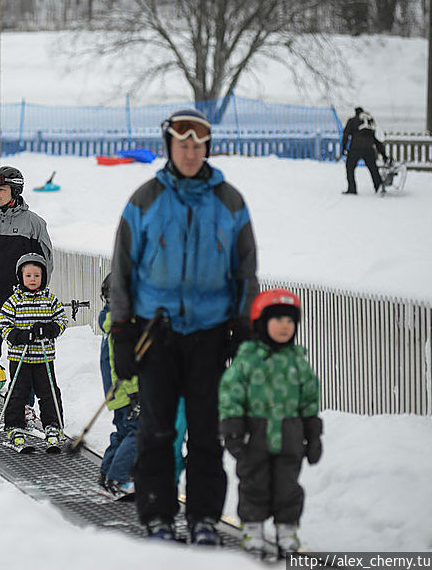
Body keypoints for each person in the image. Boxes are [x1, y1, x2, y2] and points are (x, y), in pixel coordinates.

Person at [109, 109, 259, 543]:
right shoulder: (145, 199)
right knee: (157, 430)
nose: (191, 152)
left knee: (207, 433)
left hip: (211, 335)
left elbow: (246, 270)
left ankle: (204, 520)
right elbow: (122, 269)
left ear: (206, 148)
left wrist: (244, 328)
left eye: (198, 145)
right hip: (156, 334)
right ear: (169, 147)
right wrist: (121, 330)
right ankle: (157, 517)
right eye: (183, 144)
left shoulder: (228, 200)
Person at [219, 288, 322, 557]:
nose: (285, 327)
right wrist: (232, 426)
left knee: (288, 487)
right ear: (261, 323)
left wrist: (312, 433)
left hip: (290, 436)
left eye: (290, 321)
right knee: (253, 484)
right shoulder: (247, 360)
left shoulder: (298, 363)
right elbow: (231, 393)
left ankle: (287, 531)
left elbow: (309, 399)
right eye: (278, 320)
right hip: (255, 436)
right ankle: (252, 530)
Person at [0, 166, 53, 439]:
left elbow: (46, 262)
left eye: (1, 190)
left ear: (15, 191)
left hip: (22, 304)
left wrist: (36, 297)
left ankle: (24, 405)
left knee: (23, 358)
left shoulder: (34, 224)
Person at [0, 253, 68, 449]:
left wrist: (50, 329)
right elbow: (3, 325)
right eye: (28, 276)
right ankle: (13, 424)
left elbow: (62, 321)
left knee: (48, 391)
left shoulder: (50, 300)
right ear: (20, 277)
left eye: (37, 276)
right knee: (18, 391)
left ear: (43, 277)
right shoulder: (14, 301)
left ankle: (53, 424)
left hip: (43, 357)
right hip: (20, 356)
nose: (33, 280)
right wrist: (17, 335)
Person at [97, 272, 140, 500]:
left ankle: (106, 474)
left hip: (119, 393)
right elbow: (121, 365)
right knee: (137, 432)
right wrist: (135, 393)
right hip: (127, 391)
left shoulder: (113, 322)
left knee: (123, 431)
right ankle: (119, 478)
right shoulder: (121, 328)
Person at [340, 107, 390, 195]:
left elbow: (346, 135)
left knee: (350, 167)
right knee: (373, 168)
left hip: (356, 148)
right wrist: (383, 154)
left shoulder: (352, 121)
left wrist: (343, 148)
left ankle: (352, 188)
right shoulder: (370, 121)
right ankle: (378, 186)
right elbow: (376, 139)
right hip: (369, 148)